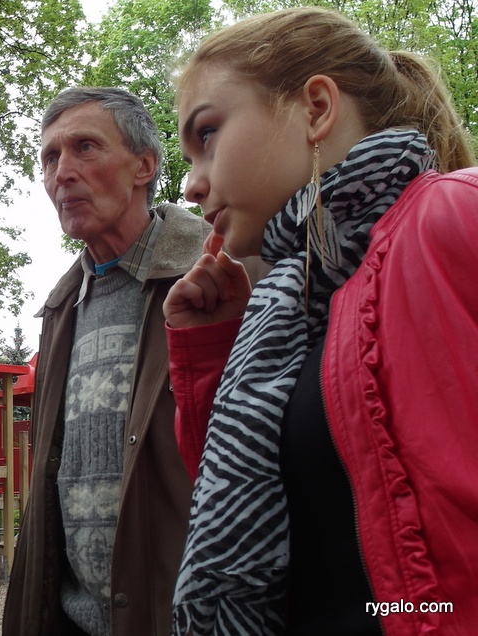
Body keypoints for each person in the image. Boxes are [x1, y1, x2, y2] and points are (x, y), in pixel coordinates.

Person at [166, 6, 478, 635]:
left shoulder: (451, 216)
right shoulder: (293, 302)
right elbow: (265, 529)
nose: (192, 185)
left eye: (208, 134)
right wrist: (216, 353)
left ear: (316, 108)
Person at [2, 87, 213, 636]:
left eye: (85, 147)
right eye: (50, 158)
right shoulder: (61, 307)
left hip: (182, 618)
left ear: (145, 166)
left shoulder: (216, 274)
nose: (62, 173)